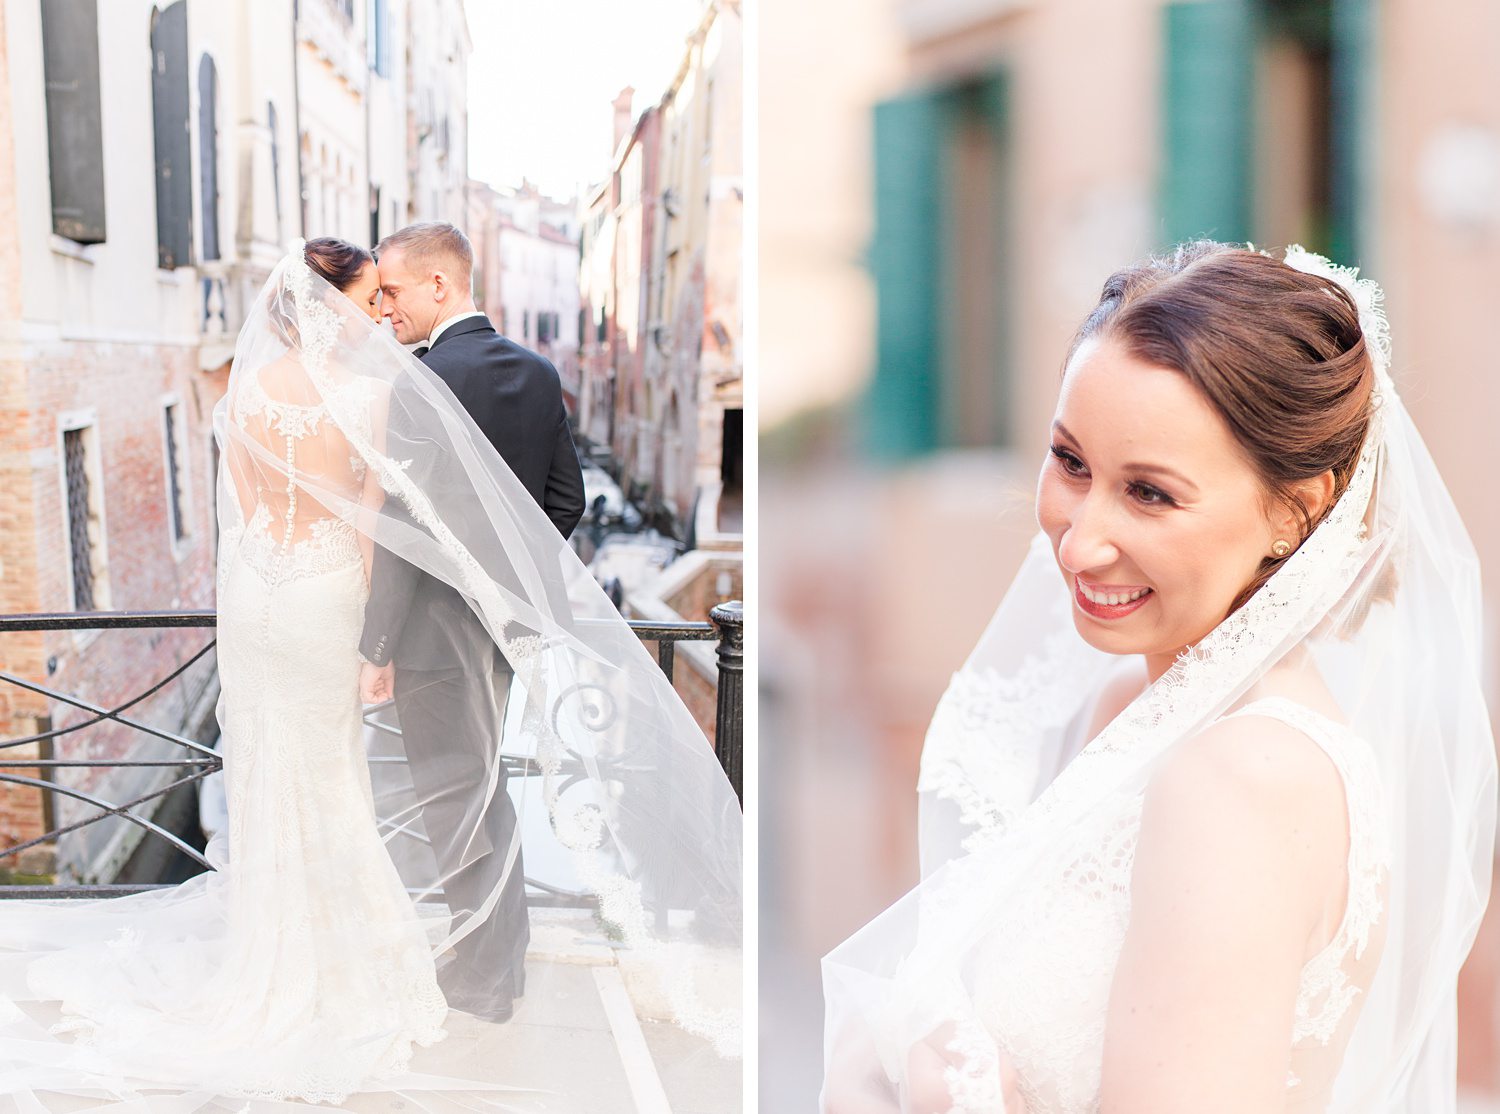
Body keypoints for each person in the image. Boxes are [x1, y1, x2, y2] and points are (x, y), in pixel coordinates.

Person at [0, 237, 742, 1111]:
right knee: (350, 777)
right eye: (366, 298)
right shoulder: (388, 390)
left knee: (275, 773)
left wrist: (306, 598)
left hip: (260, 596)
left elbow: (244, 512)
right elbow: (384, 519)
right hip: (338, 599)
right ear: (334, 308)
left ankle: (279, 947)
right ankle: (411, 960)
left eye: (386, 295)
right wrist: (382, 637)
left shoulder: (238, 399)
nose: (379, 312)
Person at [821, 243, 1497, 1114]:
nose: (1080, 538)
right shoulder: (1135, 709)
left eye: (1150, 494)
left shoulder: (1240, 778)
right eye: (1071, 463)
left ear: (1296, 512)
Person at [355, 222, 586, 1021]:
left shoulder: (418, 382)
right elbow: (567, 502)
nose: (384, 309)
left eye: (392, 291)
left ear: (440, 287)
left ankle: (482, 980)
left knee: (457, 801)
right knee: (486, 790)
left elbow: (404, 531)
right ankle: (498, 963)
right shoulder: (538, 369)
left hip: (430, 634)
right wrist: (507, 585)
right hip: (504, 629)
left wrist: (375, 644)